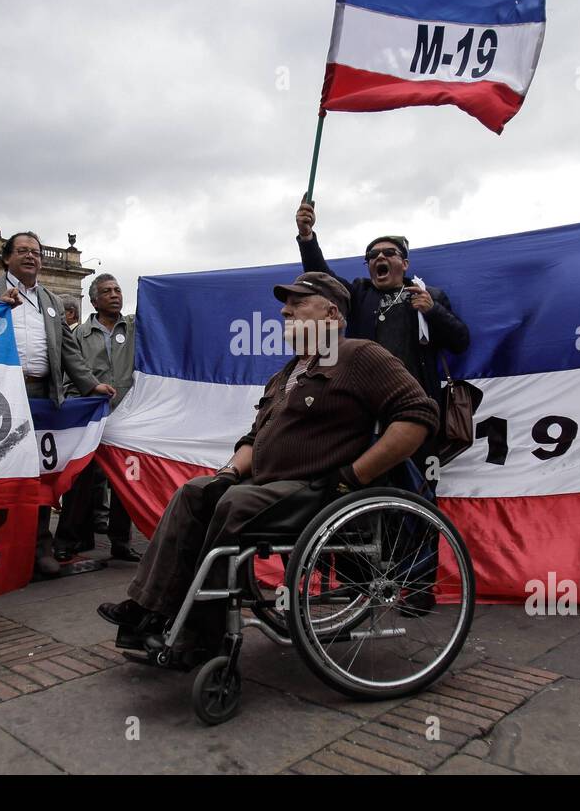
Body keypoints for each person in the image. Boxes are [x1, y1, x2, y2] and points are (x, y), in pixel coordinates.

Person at [97, 271, 439, 660]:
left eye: (297, 303)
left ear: (331, 313)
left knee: (235, 505)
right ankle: (149, 610)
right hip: (267, 483)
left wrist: (352, 476)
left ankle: (202, 638)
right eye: (286, 304)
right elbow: (253, 439)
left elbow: (417, 416)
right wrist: (227, 473)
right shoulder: (286, 374)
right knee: (195, 492)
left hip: (320, 490)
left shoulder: (360, 355)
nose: (284, 310)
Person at [0, 232, 114, 578]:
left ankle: (38, 549)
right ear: (6, 258)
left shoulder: (52, 301)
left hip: (42, 397)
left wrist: (91, 384)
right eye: (23, 251)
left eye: (36, 252)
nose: (31, 256)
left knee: (39, 474)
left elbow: (68, 351)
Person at [292, 197, 470, 476]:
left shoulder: (429, 296)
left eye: (389, 253)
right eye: (372, 256)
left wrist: (433, 311)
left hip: (415, 408)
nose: (380, 258)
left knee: (419, 487)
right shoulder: (360, 294)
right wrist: (307, 237)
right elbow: (322, 277)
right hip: (365, 408)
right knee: (364, 479)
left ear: (405, 263)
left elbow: (461, 342)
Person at [58, 274, 141, 563]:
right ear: (94, 300)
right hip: (91, 415)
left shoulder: (134, 328)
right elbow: (68, 376)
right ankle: (70, 539)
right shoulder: (78, 335)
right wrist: (86, 394)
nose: (114, 294)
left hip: (127, 415)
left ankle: (121, 542)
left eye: (118, 289)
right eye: (106, 291)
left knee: (124, 483)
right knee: (81, 481)